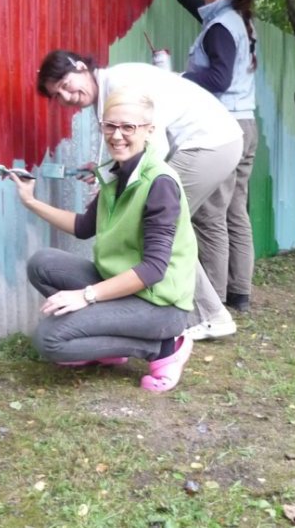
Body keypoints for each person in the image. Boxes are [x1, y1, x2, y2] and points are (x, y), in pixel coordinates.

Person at [37, 50, 243, 341]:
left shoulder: (121, 85)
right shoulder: (112, 85)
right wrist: (105, 171)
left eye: (66, 85)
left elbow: (151, 149)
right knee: (191, 229)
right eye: (58, 95)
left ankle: (206, 316)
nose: (67, 97)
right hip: (222, 139)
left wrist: (110, 181)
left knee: (166, 233)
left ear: (80, 67)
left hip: (204, 143)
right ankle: (209, 313)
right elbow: (130, 155)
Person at [11, 90, 196, 392]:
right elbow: (84, 227)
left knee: (49, 339)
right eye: (110, 126)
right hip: (121, 286)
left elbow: (153, 270)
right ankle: (108, 348)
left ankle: (164, 347)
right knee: (42, 264)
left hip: (160, 304)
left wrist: (85, 296)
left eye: (128, 127)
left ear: (149, 130)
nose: (117, 135)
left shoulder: (159, 183)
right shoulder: (116, 173)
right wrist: (31, 202)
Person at [152, 0, 258, 317]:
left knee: (211, 215)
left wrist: (178, 77)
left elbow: (218, 79)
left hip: (223, 128)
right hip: (246, 123)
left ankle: (211, 301)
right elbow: (209, 17)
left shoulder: (222, 27)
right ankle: (239, 292)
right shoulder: (238, 19)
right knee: (235, 211)